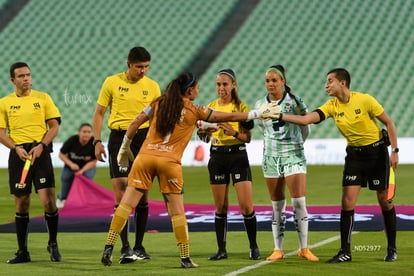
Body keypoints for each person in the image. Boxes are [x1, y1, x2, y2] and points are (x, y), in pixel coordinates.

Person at [100, 72, 280, 268]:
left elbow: (135, 122)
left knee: (125, 205)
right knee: (177, 212)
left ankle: (109, 246)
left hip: (144, 158)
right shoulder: (195, 110)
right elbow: (228, 115)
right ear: (189, 90)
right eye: (197, 88)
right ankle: (185, 258)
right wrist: (256, 113)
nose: (199, 90)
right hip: (169, 163)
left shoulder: (158, 103)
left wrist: (125, 147)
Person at [279, 68, 398, 263]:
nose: (326, 85)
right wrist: (281, 116)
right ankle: (345, 251)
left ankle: (392, 248)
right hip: (354, 156)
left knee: (385, 200)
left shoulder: (365, 100)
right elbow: (307, 119)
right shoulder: (331, 106)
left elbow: (389, 123)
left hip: (376, 154)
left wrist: (395, 151)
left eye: (330, 81)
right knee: (346, 202)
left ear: (342, 83)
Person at [93, 46, 161, 263]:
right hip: (118, 139)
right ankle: (124, 247)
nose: (143, 71)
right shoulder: (111, 82)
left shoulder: (152, 87)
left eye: (146, 67)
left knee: (141, 192)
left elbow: (158, 118)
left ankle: (140, 246)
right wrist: (96, 141)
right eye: (139, 67)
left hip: (143, 140)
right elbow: (99, 112)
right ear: (129, 64)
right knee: (122, 191)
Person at [254, 65, 319, 262]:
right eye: (267, 81)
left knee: (298, 201)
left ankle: (304, 248)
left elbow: (305, 124)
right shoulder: (260, 104)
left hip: (293, 154)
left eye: (274, 80)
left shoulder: (295, 101)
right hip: (271, 158)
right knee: (277, 205)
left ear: (283, 81)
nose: (270, 84)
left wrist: (297, 145)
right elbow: (262, 129)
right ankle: (277, 249)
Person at [0, 62, 62, 263]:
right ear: (13, 80)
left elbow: (54, 127)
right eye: (21, 76)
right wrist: (15, 148)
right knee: (22, 202)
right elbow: (1, 133)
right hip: (19, 154)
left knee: (48, 201)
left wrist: (42, 145)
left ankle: (52, 244)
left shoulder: (43, 98)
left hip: (40, 152)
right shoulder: (4, 103)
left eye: (28, 75)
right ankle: (22, 251)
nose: (26, 78)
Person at [198, 69, 260, 260]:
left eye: (225, 84)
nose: (221, 88)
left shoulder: (241, 107)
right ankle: (221, 250)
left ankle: (253, 247)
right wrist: (204, 134)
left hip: (238, 156)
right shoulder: (210, 107)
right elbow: (206, 138)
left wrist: (234, 133)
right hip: (217, 157)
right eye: (218, 84)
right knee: (220, 207)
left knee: (246, 206)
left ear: (233, 85)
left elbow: (247, 138)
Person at [56, 123, 97, 208]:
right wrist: (71, 164)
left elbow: (94, 161)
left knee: (86, 179)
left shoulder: (94, 143)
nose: (87, 134)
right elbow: (61, 154)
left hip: (86, 168)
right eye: (84, 132)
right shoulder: (72, 140)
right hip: (70, 166)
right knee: (66, 178)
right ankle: (62, 198)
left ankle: (83, 200)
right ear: (79, 132)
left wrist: (82, 171)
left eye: (89, 132)